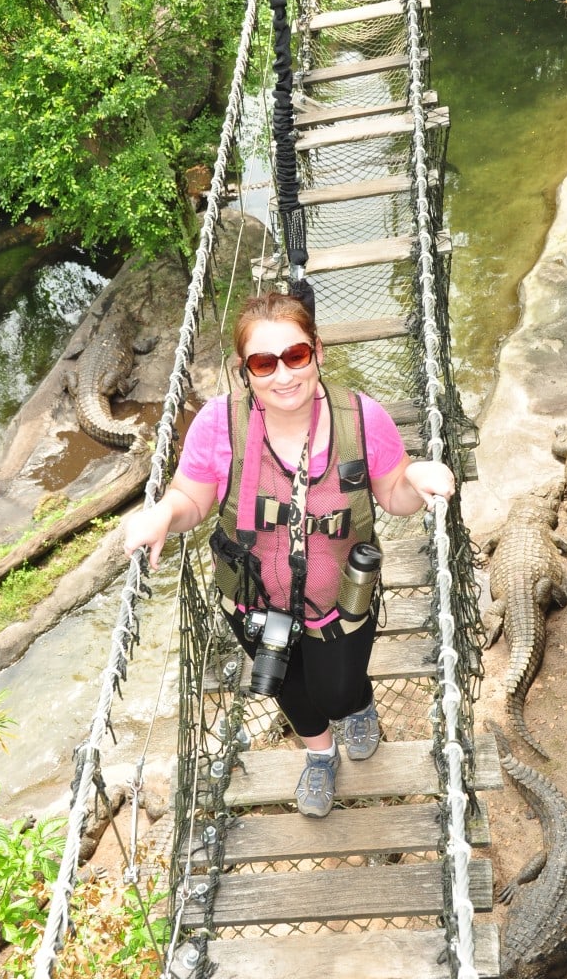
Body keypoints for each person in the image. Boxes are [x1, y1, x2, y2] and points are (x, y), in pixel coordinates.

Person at [123, 291, 456, 818]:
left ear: (318, 350)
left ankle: (358, 706)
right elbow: (191, 499)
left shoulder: (361, 418)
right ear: (245, 371)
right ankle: (320, 757)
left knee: (338, 689)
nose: (283, 375)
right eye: (264, 362)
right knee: (289, 689)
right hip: (253, 601)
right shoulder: (217, 423)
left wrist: (417, 477)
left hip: (339, 601)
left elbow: (393, 494)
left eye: (295, 356)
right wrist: (162, 514)